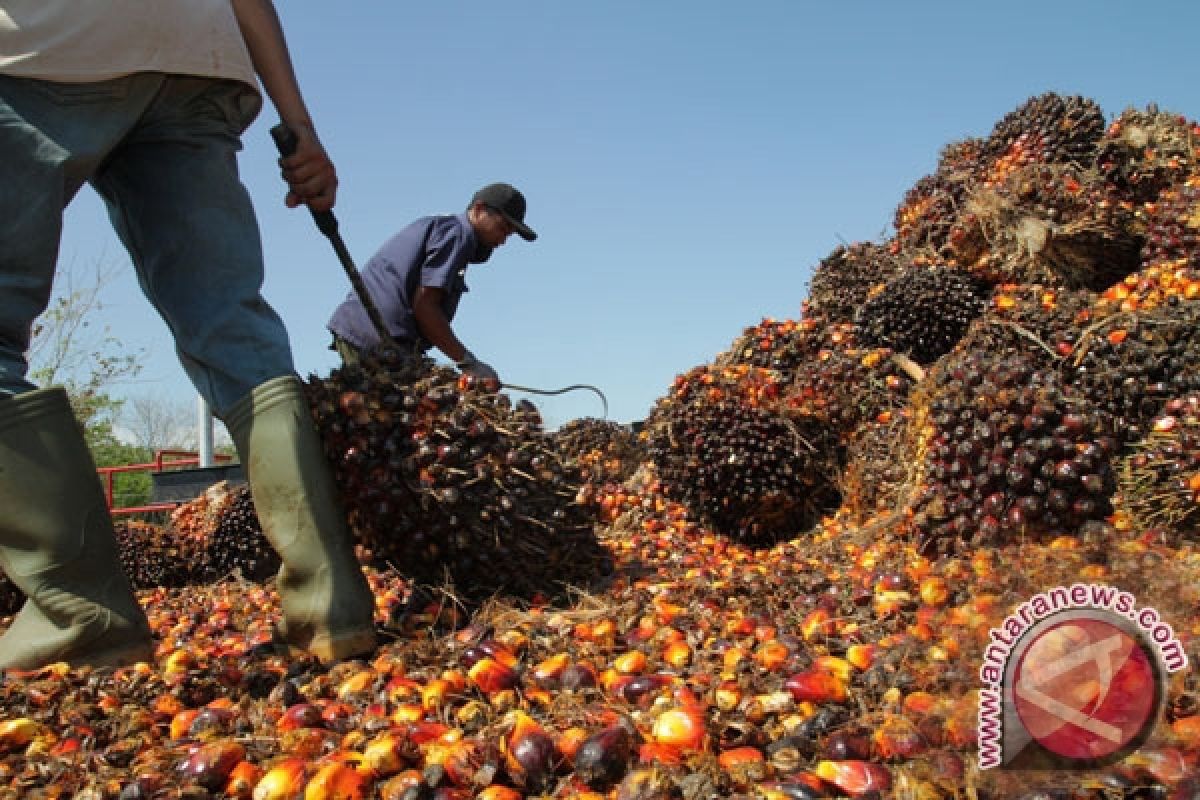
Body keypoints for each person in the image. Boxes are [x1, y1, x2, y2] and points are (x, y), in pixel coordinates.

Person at [0, 0, 377, 670]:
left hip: (43, 46)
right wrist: (301, 126)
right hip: (196, 60)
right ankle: (331, 602)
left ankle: (81, 617)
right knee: (234, 327)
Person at [326, 183, 537, 382]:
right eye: (502, 228)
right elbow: (425, 306)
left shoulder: (444, 228)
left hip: (370, 333)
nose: (502, 240)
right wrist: (467, 361)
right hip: (376, 337)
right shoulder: (457, 235)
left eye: (509, 235)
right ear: (479, 209)